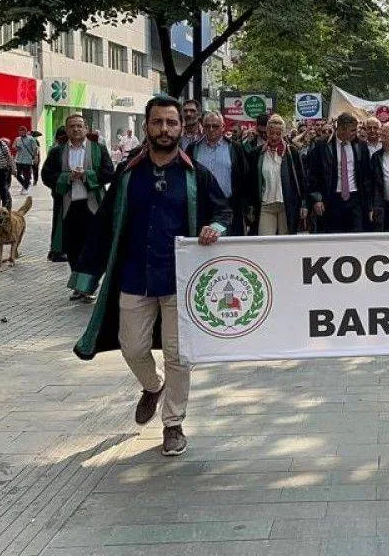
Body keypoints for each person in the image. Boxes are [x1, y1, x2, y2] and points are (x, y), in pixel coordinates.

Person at [71, 94, 233, 458]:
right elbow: (105, 222)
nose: (165, 129)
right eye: (158, 122)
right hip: (134, 277)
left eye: (171, 123)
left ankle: (173, 423)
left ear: (181, 127)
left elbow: (224, 210)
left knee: (178, 355)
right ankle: (153, 385)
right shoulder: (129, 173)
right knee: (132, 347)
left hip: (179, 281)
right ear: (147, 126)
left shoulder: (195, 174)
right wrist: (87, 274)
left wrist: (216, 228)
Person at [43, 114, 116, 301]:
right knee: (72, 248)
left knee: (93, 247)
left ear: (86, 129)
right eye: (72, 126)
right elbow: (46, 175)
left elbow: (109, 172)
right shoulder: (57, 152)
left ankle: (89, 286)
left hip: (93, 207)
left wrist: (87, 175)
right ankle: (78, 286)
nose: (76, 129)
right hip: (68, 207)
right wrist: (66, 177)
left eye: (79, 126)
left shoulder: (98, 149)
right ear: (66, 130)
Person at [307, 112, 374, 233]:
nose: (355, 133)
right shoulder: (322, 145)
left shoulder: (361, 145)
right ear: (342, 129)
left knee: (357, 236)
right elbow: (313, 174)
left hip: (355, 199)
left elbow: (367, 176)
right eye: (352, 130)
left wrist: (369, 205)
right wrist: (317, 199)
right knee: (333, 237)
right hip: (331, 200)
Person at [188, 112, 250, 236]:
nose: (211, 129)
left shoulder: (235, 148)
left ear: (223, 127)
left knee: (230, 244)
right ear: (202, 126)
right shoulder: (193, 148)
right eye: (207, 126)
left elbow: (244, 177)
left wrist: (246, 206)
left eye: (215, 126)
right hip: (201, 208)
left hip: (229, 207)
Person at [248, 114, 307, 235]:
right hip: (265, 205)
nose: (274, 137)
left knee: (285, 242)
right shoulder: (257, 153)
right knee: (264, 240)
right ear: (266, 132)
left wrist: (304, 204)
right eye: (271, 133)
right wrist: (250, 206)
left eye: (278, 134)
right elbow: (251, 181)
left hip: (286, 205)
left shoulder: (292, 153)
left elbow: (301, 180)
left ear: (283, 134)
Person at [47, 126, 69, 262]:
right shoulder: (56, 151)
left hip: (63, 192)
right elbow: (47, 174)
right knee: (60, 220)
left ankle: (57, 249)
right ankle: (57, 251)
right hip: (61, 192)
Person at [13, 126, 40, 195]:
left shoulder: (31, 139)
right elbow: (13, 146)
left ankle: (25, 188)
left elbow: (35, 148)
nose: (21, 132)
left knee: (26, 175)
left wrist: (36, 157)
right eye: (20, 131)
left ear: (25, 131)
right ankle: (25, 184)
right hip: (18, 159)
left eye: (23, 131)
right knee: (18, 175)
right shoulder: (17, 139)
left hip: (27, 159)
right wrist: (16, 147)